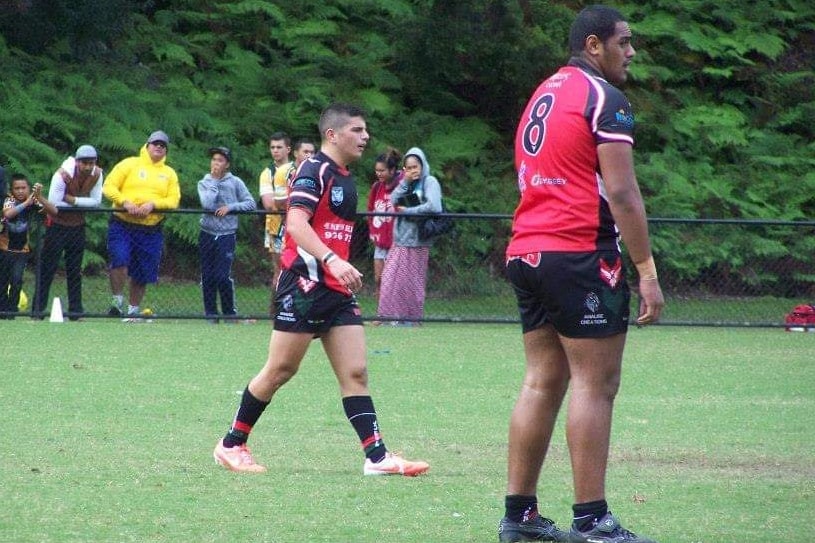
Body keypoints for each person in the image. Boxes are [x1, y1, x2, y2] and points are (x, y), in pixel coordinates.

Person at [497, 6, 664, 543]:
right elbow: (621, 192)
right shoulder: (604, 98)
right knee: (597, 383)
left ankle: (518, 516)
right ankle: (592, 520)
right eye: (624, 42)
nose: (631, 52)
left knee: (541, 381)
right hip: (578, 252)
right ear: (594, 45)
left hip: (527, 250)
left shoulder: (544, 92)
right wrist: (647, 270)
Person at [213, 103, 429, 477]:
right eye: (357, 130)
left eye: (366, 130)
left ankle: (377, 457)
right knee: (280, 369)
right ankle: (231, 444)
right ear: (333, 134)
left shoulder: (345, 176)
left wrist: (338, 266)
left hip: (336, 291)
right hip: (304, 285)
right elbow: (295, 224)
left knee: (356, 372)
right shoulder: (313, 171)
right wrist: (332, 259)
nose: (365, 137)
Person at [102, 130, 181, 321]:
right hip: (123, 223)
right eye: (155, 144)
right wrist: (124, 202)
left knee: (143, 271)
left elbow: (173, 200)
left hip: (150, 228)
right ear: (147, 145)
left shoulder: (169, 173)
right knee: (119, 259)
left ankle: (133, 311)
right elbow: (109, 187)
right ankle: (117, 301)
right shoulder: (129, 164)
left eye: (163, 146)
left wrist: (153, 205)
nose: (158, 148)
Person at [33, 144, 104, 321]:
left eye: (91, 163)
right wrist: (81, 203)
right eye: (84, 163)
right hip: (56, 225)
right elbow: (54, 205)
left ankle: (75, 311)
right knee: (47, 268)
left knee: (74, 269)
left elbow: (96, 201)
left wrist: (72, 200)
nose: (88, 167)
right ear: (77, 162)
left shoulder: (97, 174)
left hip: (77, 226)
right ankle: (37, 310)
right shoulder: (62, 175)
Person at [376, 148, 441, 326]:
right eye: (408, 167)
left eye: (415, 166)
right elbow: (394, 199)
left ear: (422, 165)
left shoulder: (430, 182)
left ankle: (412, 320)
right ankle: (388, 318)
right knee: (389, 279)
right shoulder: (407, 183)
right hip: (400, 240)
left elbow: (435, 206)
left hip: (417, 241)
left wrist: (409, 211)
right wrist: (405, 181)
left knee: (412, 283)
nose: (413, 170)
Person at [198, 146, 256, 322]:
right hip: (207, 233)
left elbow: (250, 203)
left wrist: (230, 207)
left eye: (220, 160)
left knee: (222, 276)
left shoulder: (235, 182)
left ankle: (229, 313)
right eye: (214, 159)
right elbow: (207, 204)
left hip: (226, 234)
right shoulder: (205, 182)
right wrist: (214, 182)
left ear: (227, 165)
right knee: (207, 276)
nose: (216, 163)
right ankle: (211, 314)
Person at [0, 175, 57, 318]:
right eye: (16, 188)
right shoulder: (10, 200)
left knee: (17, 279)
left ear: (28, 188)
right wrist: (26, 203)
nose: (20, 191)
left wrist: (39, 196)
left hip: (21, 250)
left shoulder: (33, 201)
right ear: (11, 190)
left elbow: (53, 211)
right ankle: (3, 309)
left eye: (23, 188)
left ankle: (12, 310)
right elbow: (8, 214)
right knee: (2, 281)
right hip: (4, 248)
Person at [258, 131, 294, 298]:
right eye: (272, 147)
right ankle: (277, 310)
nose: (275, 150)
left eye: (279, 147)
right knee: (279, 270)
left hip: (296, 225)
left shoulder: (297, 169)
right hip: (275, 227)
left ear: (288, 149)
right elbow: (269, 205)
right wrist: (293, 202)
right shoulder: (267, 173)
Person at [366, 148, 402, 305]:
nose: (379, 174)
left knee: (393, 280)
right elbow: (370, 210)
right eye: (377, 170)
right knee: (379, 278)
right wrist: (373, 231)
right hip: (380, 241)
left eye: (382, 170)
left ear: (393, 170)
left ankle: (394, 314)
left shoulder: (402, 186)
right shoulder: (376, 187)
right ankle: (382, 314)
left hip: (397, 242)